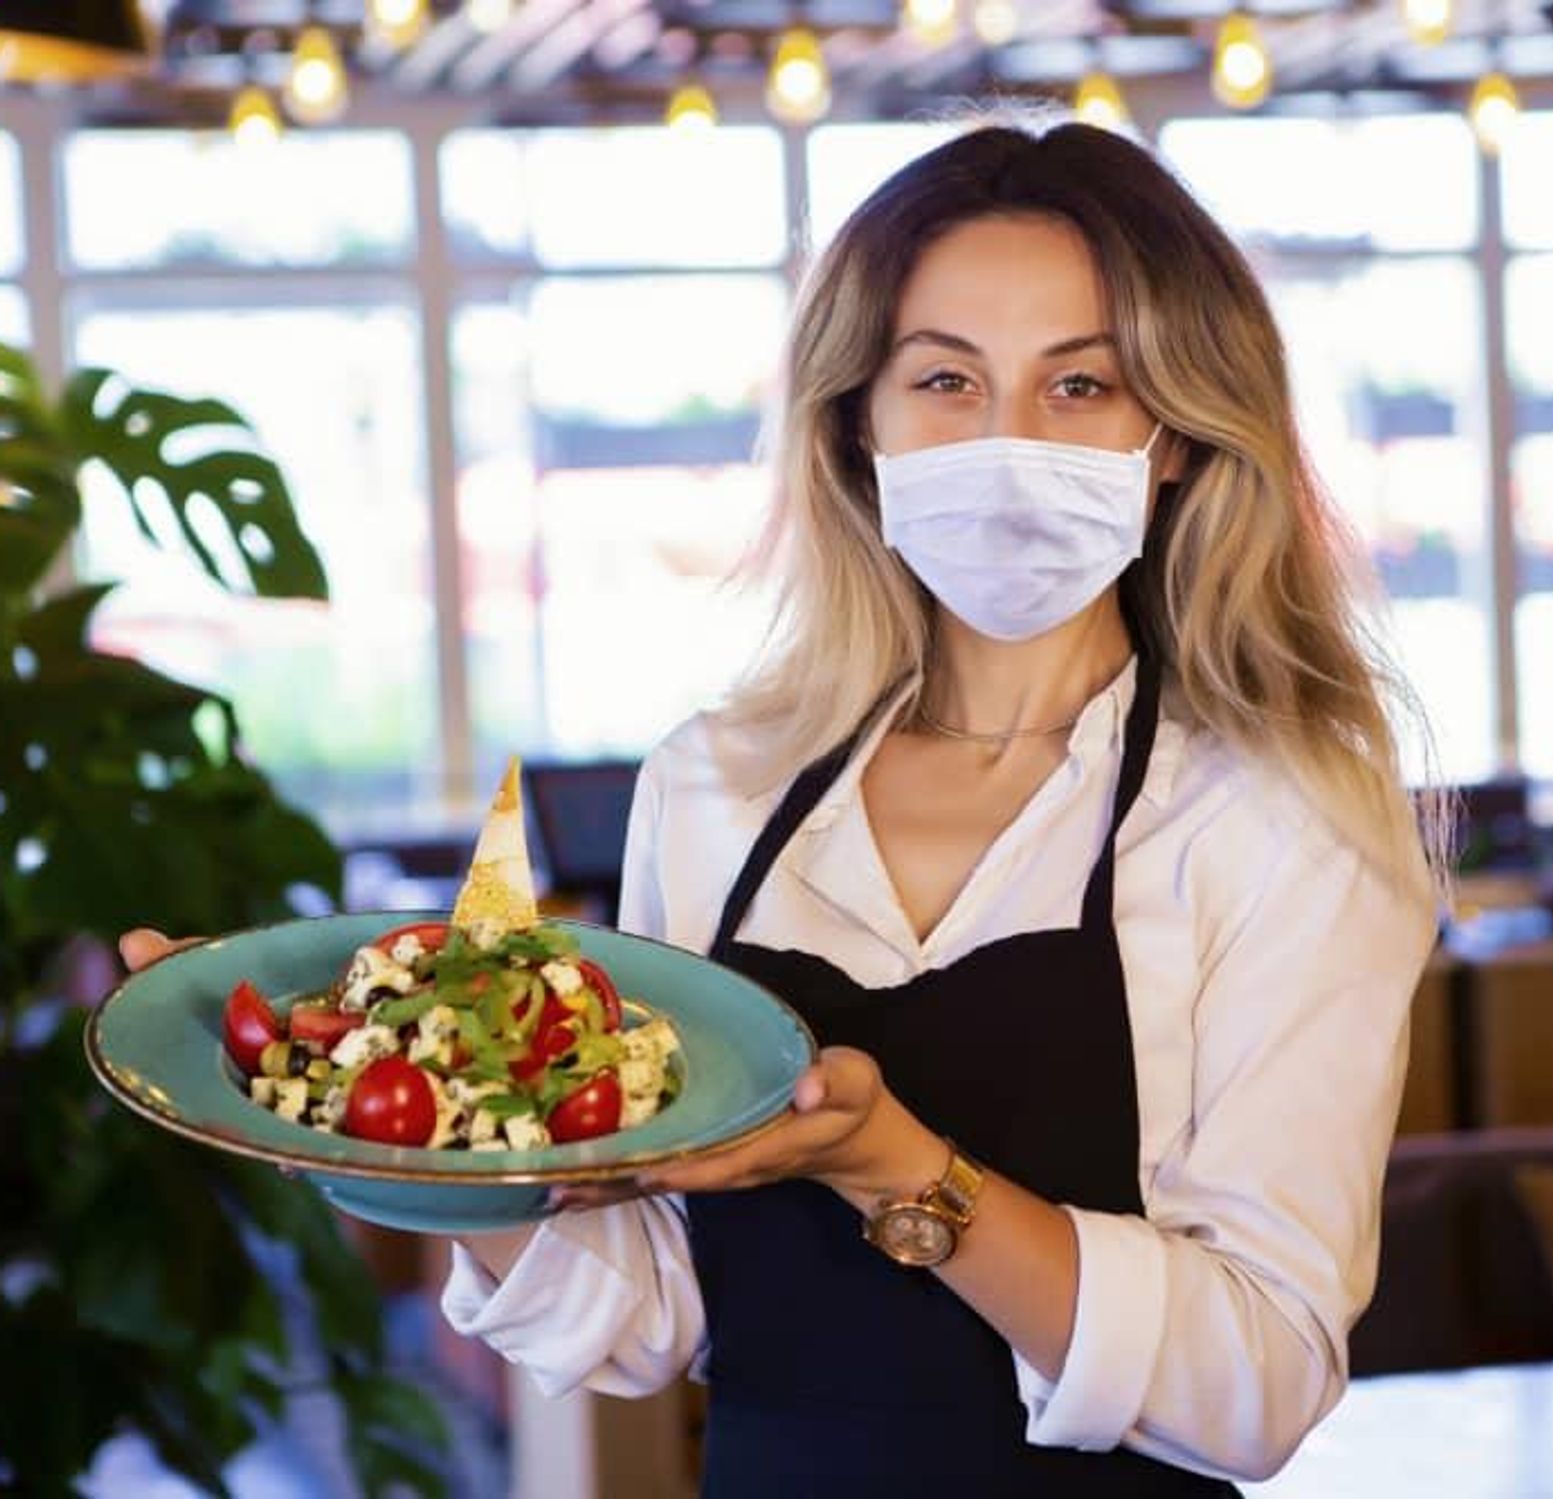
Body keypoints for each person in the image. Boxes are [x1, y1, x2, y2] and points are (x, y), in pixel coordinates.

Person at [125, 118, 1451, 1495]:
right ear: (858, 423)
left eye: (1080, 387)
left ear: (1172, 435)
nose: (1003, 439)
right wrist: (362, 1132)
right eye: (945, 378)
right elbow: (653, 1317)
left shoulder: (1281, 814)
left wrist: (897, 1167)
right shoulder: (720, 785)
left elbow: (1258, 1386)